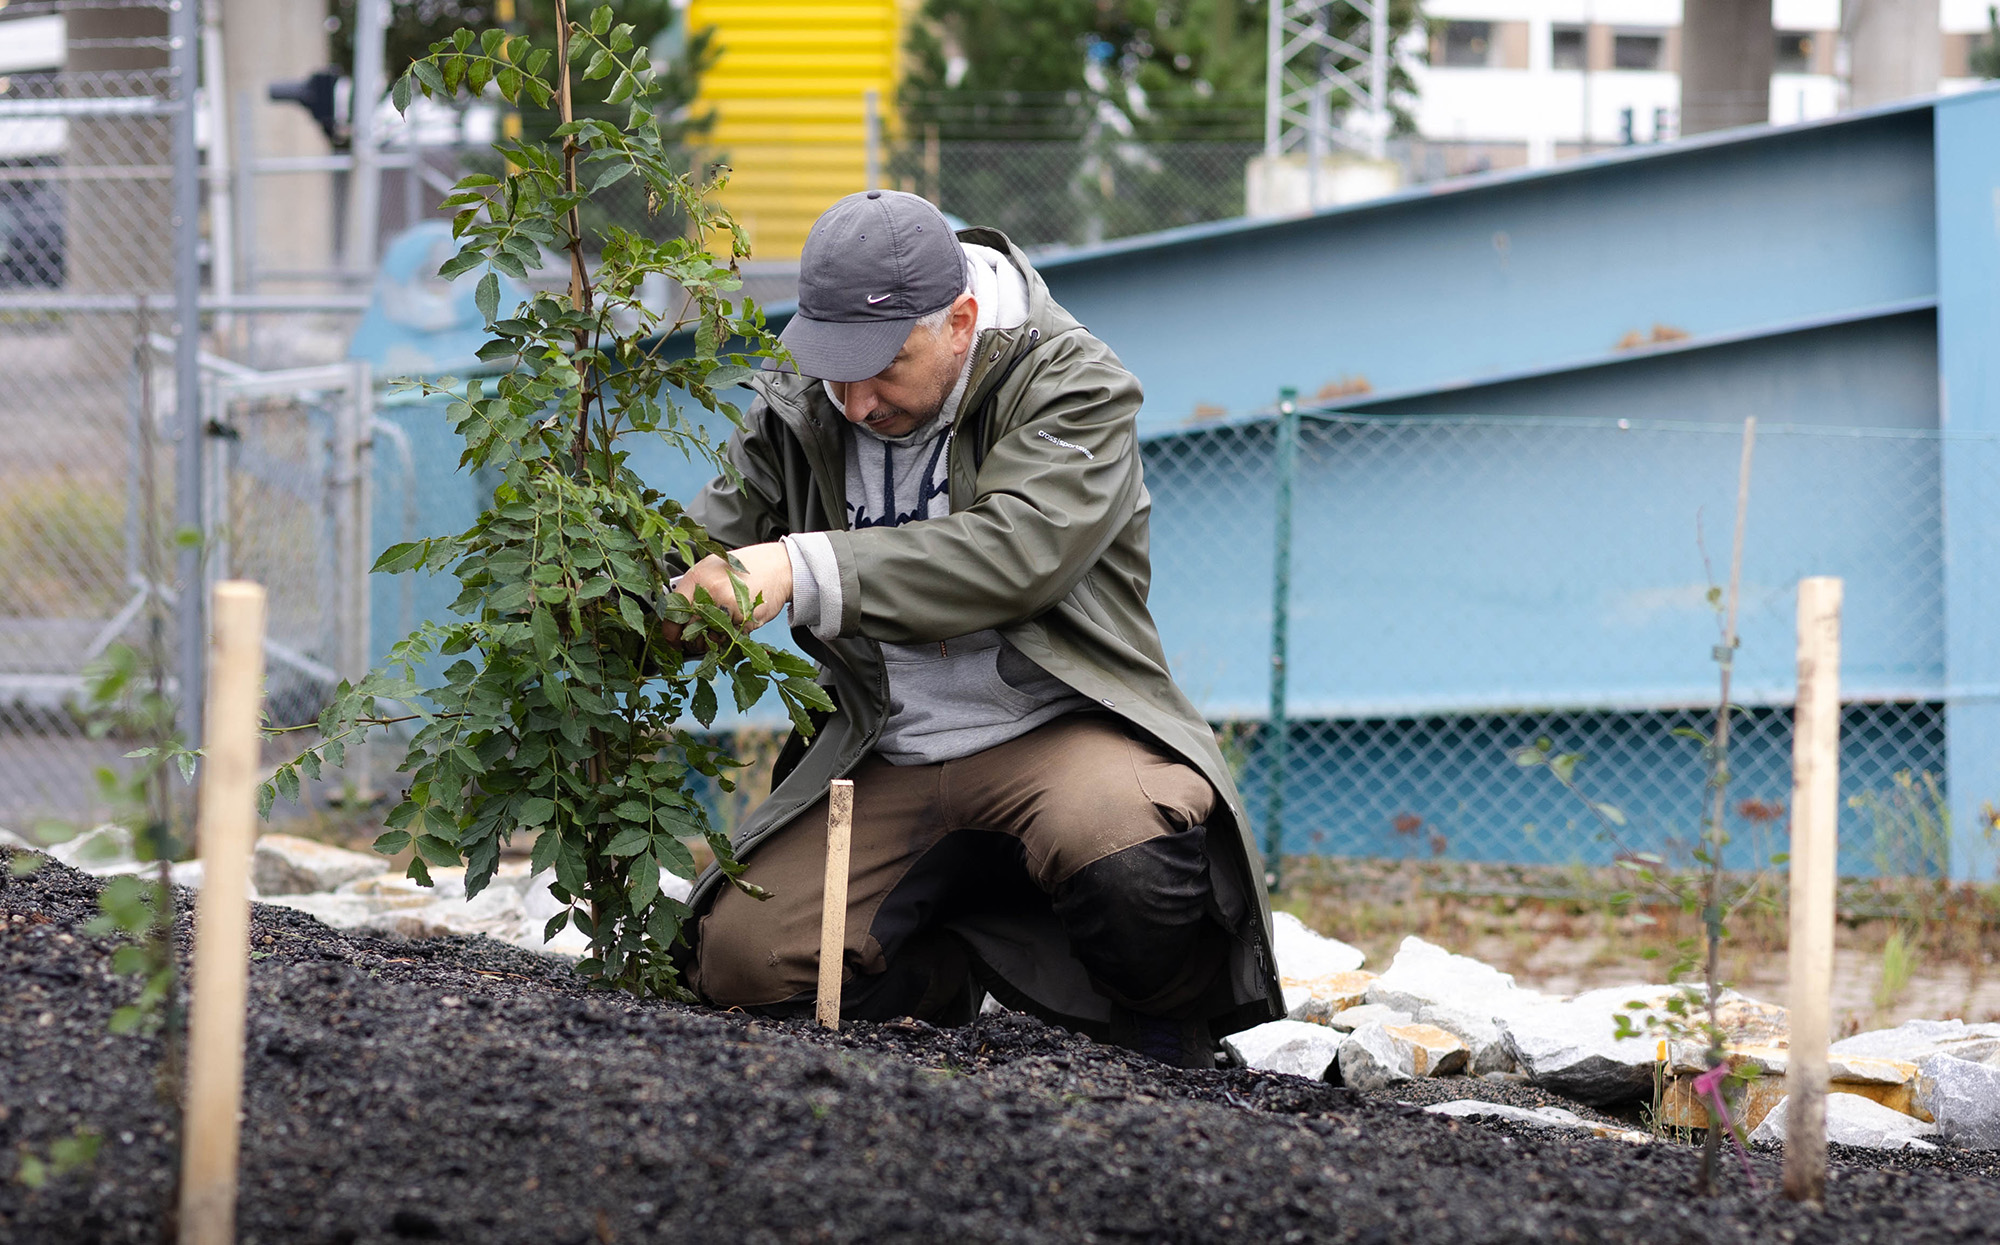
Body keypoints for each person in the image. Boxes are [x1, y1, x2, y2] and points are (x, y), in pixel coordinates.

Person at [672, 189, 1280, 1067]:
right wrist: (629, 601)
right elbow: (701, 548)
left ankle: (1163, 1019)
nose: (855, 401)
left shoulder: (1073, 381)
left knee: (1130, 851)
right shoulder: (802, 403)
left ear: (959, 320)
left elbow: (1015, 553)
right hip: (885, 748)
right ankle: (944, 975)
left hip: (1056, 729)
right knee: (741, 960)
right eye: (834, 366)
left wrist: (797, 570)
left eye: (883, 366)